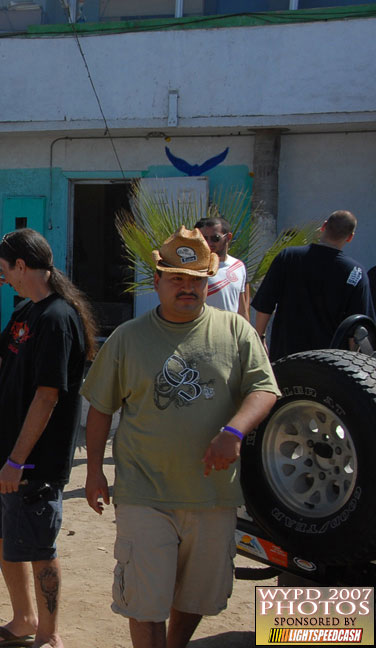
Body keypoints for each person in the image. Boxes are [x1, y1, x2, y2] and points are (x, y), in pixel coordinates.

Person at [81, 226, 279, 648]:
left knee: (195, 596)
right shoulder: (128, 338)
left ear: (209, 282)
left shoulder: (236, 331)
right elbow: (100, 407)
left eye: (196, 280)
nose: (187, 288)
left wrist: (233, 431)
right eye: (176, 278)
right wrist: (94, 471)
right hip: (144, 493)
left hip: (212, 495)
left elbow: (265, 389)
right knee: (145, 602)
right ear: (156, 282)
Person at [0, 228, 97, 648]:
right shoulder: (25, 311)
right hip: (5, 452)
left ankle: (48, 634)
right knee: (3, 536)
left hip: (33, 460)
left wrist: (17, 461)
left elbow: (47, 396)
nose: (0, 276)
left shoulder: (58, 318)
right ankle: (23, 619)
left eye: (3, 269)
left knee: (40, 547)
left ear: (21, 266)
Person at [252, 210, 375, 360]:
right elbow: (357, 327)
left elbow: (265, 303)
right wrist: (352, 361)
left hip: (286, 357)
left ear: (324, 226)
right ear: (350, 237)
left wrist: (259, 337)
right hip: (330, 362)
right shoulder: (355, 272)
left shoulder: (288, 257)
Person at [193, 216, 249, 317]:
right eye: (204, 238)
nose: (209, 243)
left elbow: (242, 309)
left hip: (231, 326)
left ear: (228, 237)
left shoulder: (239, 266)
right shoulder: (193, 268)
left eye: (215, 238)